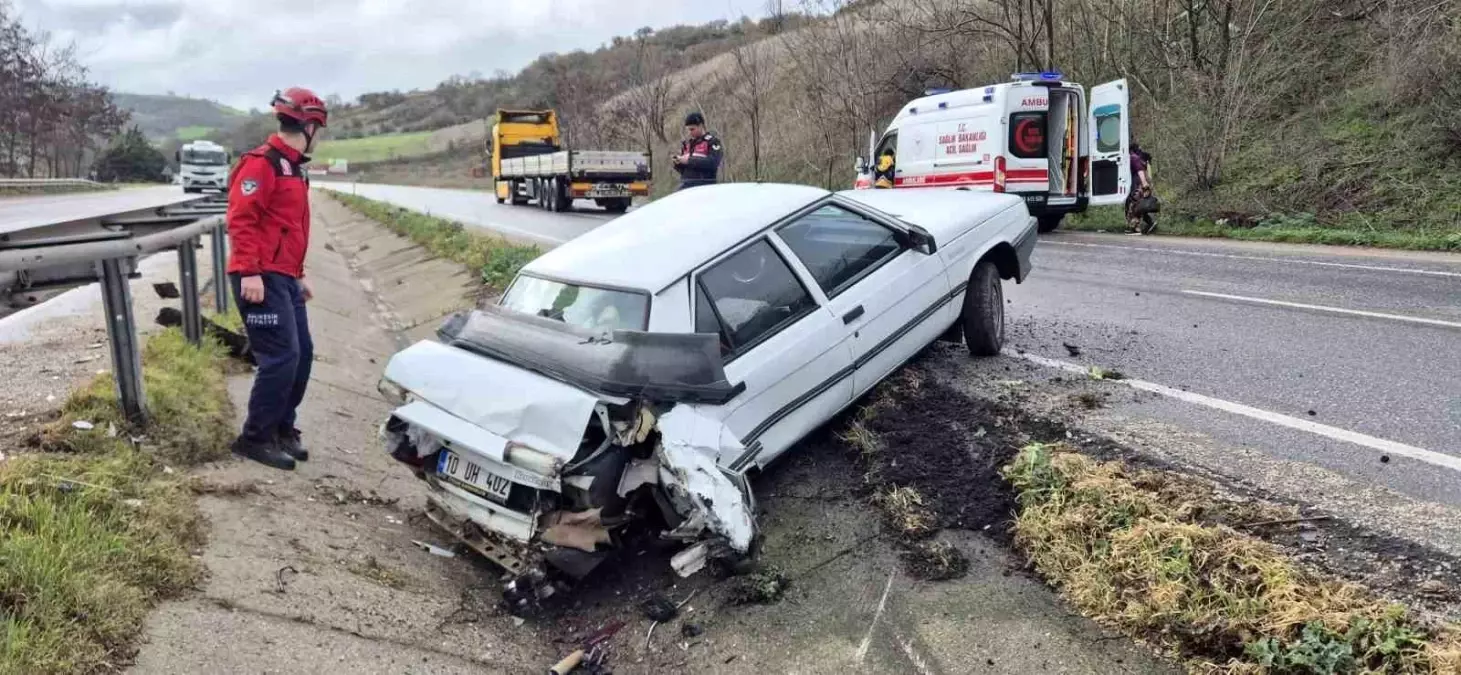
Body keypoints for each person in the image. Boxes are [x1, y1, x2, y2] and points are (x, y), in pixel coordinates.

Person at [224, 87, 328, 470]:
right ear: (310, 124)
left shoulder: (293, 168)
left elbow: (285, 227)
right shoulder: (262, 164)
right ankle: (255, 437)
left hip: (284, 276)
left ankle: (284, 427)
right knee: (280, 357)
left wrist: (298, 275)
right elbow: (241, 220)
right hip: (259, 277)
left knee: (302, 355)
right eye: (319, 126)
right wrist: (250, 271)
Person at [672, 112, 723, 190]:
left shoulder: (712, 142)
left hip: (705, 186)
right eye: (688, 130)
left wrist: (689, 160)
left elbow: (713, 163)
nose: (690, 132)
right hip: (686, 185)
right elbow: (684, 170)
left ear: (701, 126)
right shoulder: (687, 144)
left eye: (692, 129)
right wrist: (678, 163)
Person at [1126, 142, 1155, 235]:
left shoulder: (1134, 158)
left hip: (1139, 185)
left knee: (1134, 206)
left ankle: (1136, 228)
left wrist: (1144, 184)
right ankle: (1150, 223)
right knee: (1140, 206)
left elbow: (1140, 171)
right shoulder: (1140, 159)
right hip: (1141, 185)